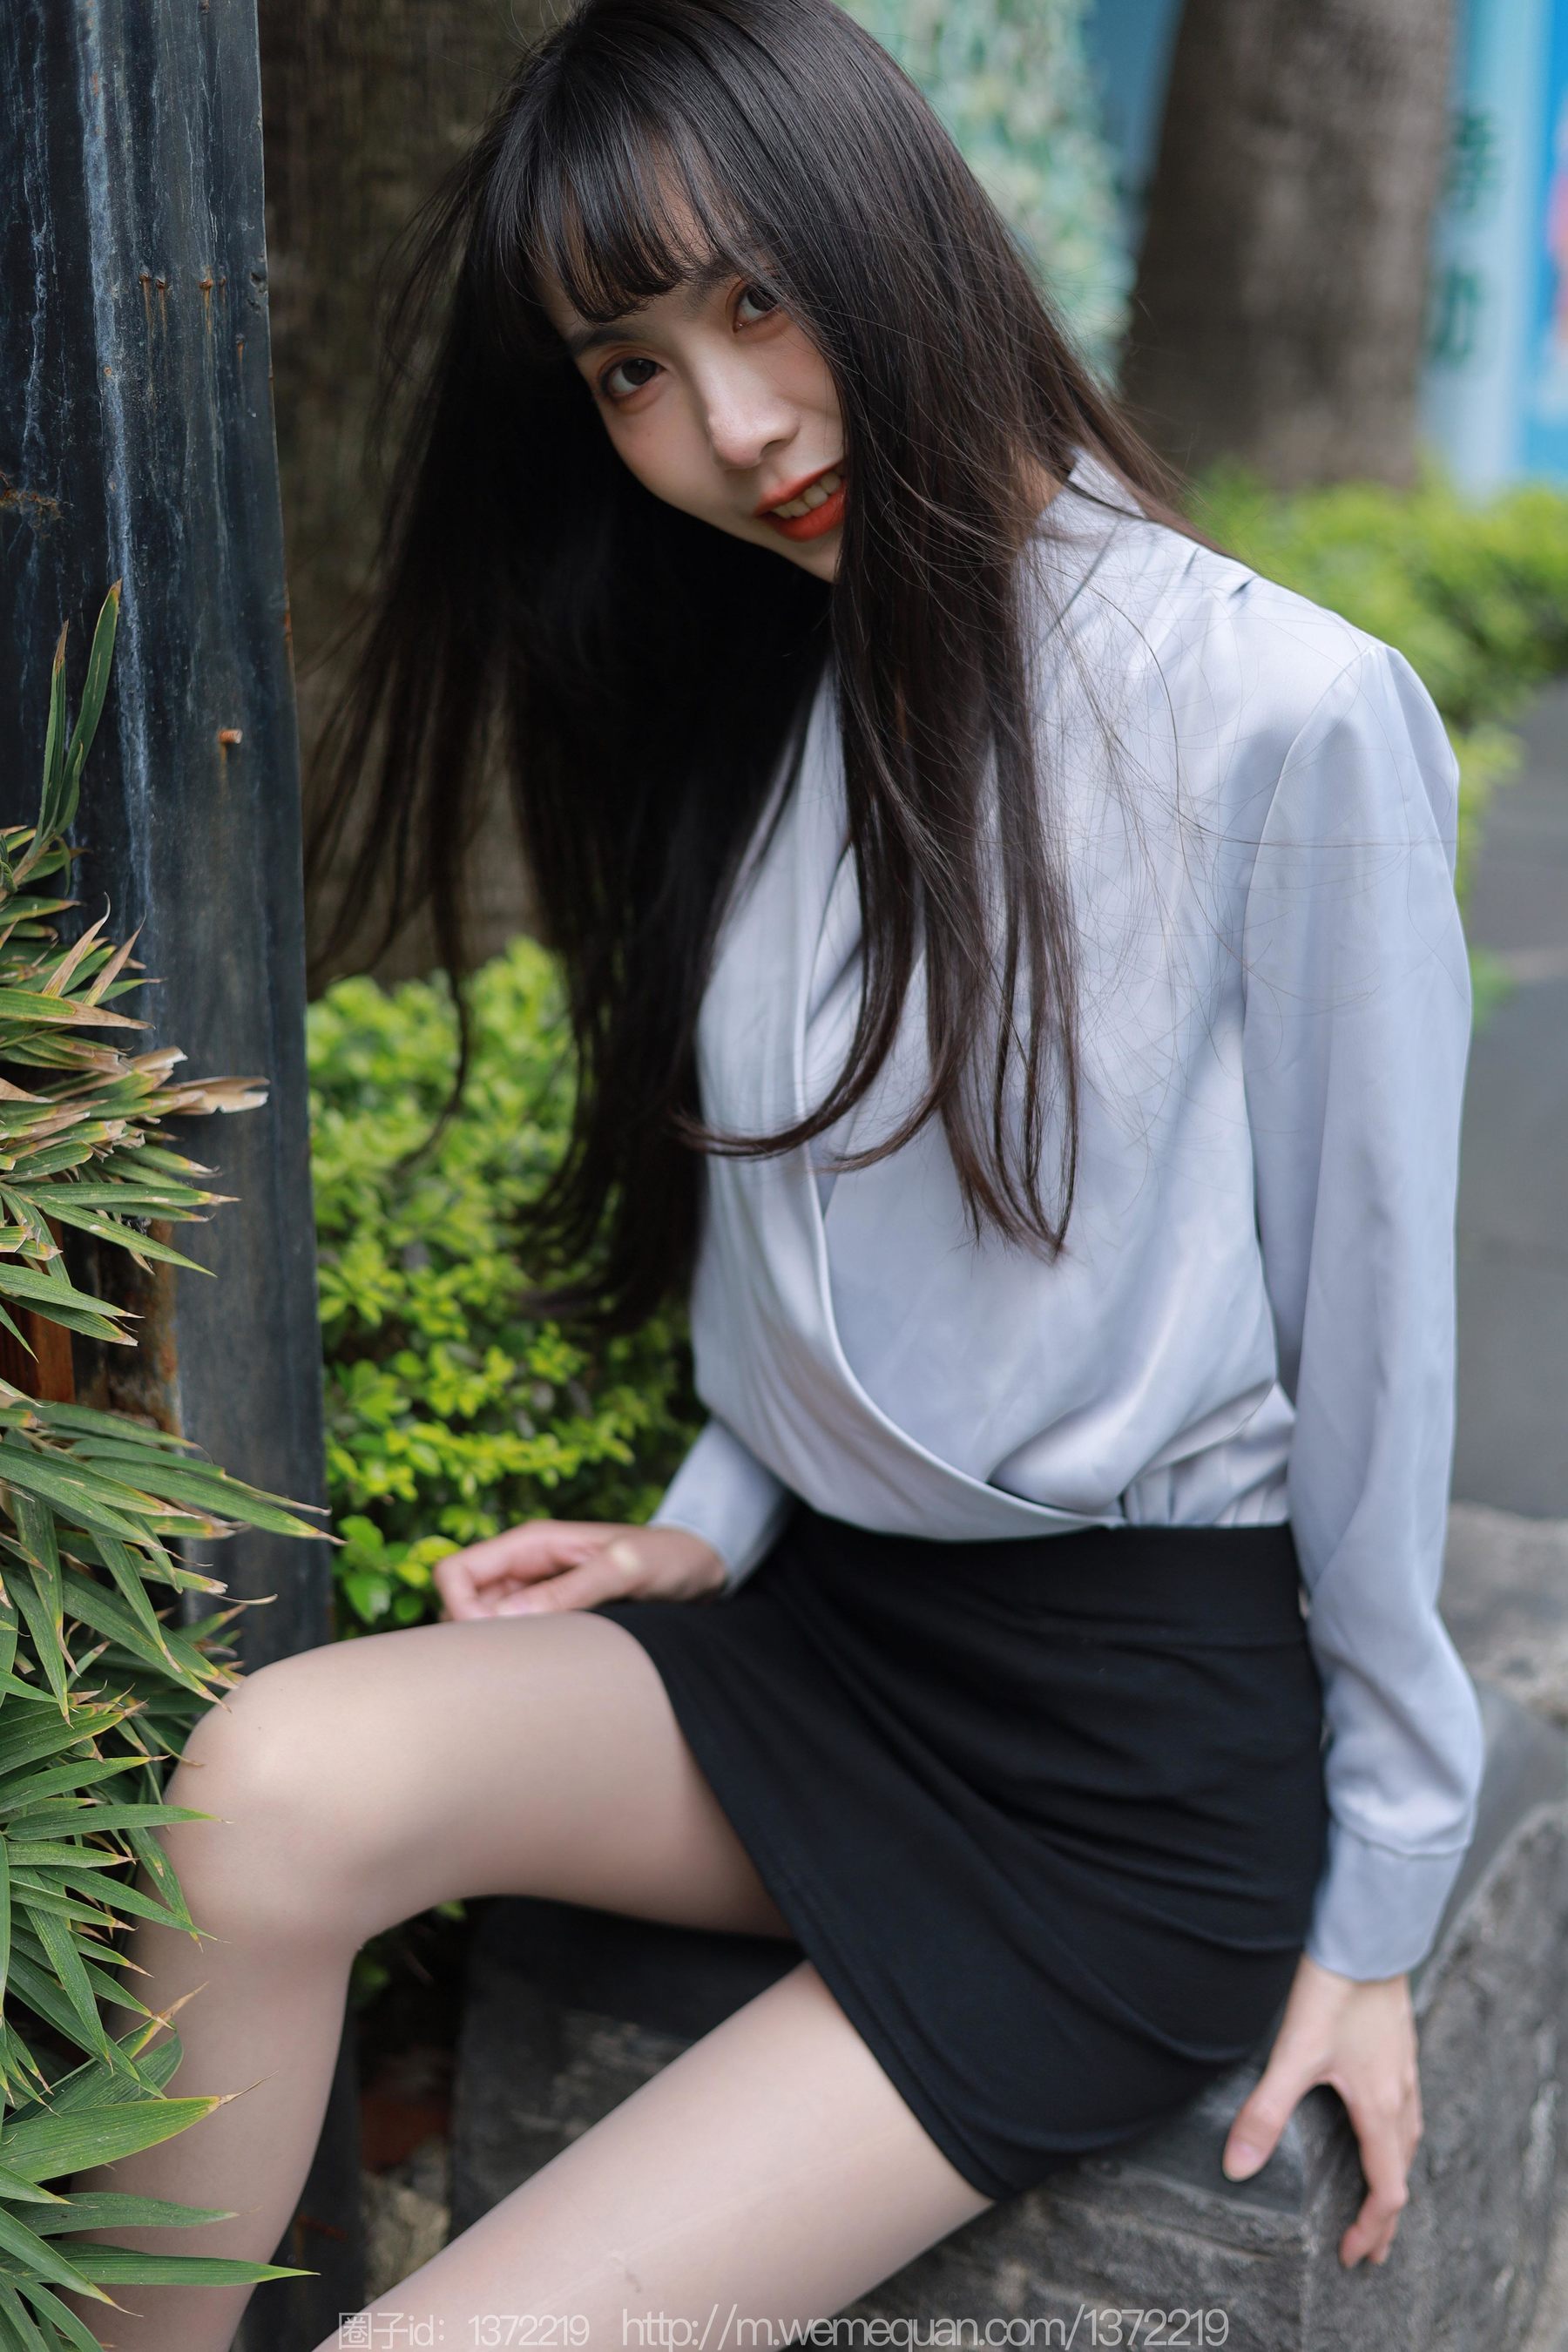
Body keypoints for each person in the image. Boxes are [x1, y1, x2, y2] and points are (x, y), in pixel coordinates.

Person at [63, 0, 1485, 2342]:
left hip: (1118, 1789)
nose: (729, 425)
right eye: (631, 367)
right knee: (262, 1792)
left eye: (757, 298)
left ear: (898, 228)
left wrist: (1384, 1904)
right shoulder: (784, 683)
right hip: (826, 1654)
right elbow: (822, 1227)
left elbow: (1379, 1335)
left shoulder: (1285, 714)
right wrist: (712, 1518)